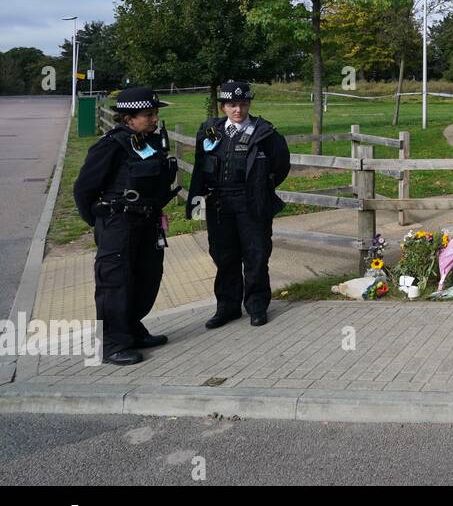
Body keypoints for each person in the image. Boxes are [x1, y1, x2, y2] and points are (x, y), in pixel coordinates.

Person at [73, 87, 178, 365]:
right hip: (118, 223)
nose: (154, 119)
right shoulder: (111, 146)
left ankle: (132, 329)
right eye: (148, 114)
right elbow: (84, 190)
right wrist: (101, 222)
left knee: (146, 278)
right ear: (128, 118)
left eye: (155, 113)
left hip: (147, 222)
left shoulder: (148, 143)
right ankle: (111, 344)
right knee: (115, 285)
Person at [186, 81, 290, 328]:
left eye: (243, 104)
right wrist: (196, 199)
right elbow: (200, 166)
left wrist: (262, 186)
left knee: (255, 255)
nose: (238, 110)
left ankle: (256, 306)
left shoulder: (265, 132)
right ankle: (227, 308)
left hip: (251, 202)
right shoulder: (211, 131)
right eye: (232, 105)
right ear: (223, 107)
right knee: (224, 256)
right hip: (219, 203)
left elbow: (281, 165)